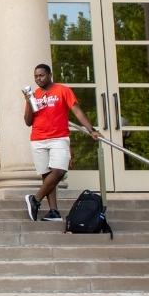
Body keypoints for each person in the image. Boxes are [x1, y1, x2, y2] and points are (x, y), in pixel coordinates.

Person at [23, 63, 101, 222]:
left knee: (59, 171)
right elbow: (28, 121)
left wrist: (91, 129)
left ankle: (35, 200)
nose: (38, 79)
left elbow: (77, 112)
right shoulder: (35, 95)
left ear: (50, 75)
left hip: (59, 137)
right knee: (47, 176)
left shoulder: (63, 90)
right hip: (38, 139)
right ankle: (53, 212)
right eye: (36, 76)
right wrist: (29, 102)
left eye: (41, 75)